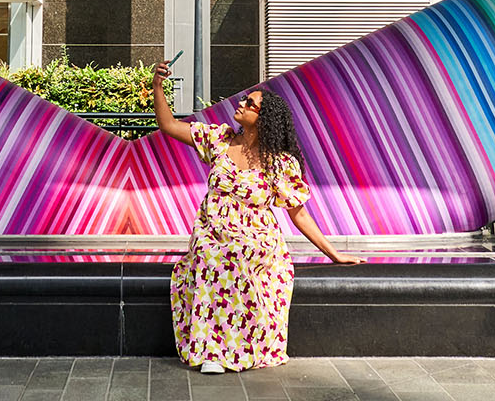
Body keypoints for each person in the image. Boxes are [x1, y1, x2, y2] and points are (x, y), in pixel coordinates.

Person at [150, 59, 360, 373]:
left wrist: (334, 254)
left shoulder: (278, 163)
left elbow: (298, 215)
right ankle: (211, 352)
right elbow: (168, 125)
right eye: (246, 101)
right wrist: (157, 86)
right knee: (212, 255)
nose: (241, 104)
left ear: (264, 120)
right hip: (212, 233)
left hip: (256, 240)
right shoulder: (218, 140)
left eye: (250, 104)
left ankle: (230, 350)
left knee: (235, 255)